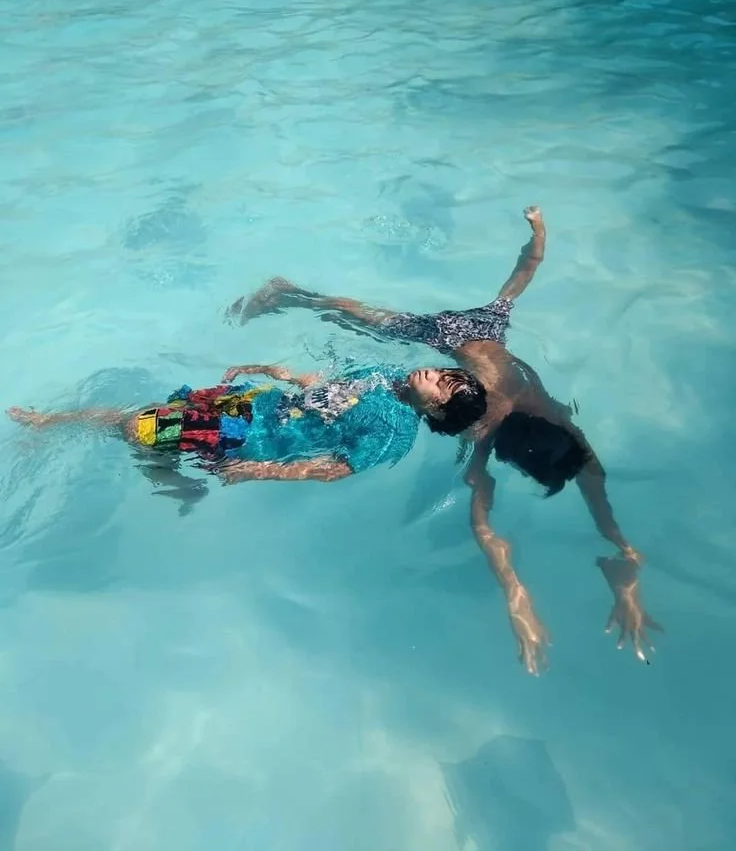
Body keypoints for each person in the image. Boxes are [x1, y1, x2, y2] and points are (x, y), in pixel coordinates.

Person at [227, 207, 661, 674]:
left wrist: (625, 569)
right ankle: (290, 293)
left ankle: (293, 294)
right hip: (448, 339)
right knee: (362, 320)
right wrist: (520, 601)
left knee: (368, 317)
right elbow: (486, 528)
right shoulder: (486, 429)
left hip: (486, 330)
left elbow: (580, 482)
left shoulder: (556, 422)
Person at [7, 362, 487, 497]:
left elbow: (337, 470)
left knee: (137, 425)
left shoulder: (395, 431)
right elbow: (327, 386)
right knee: (152, 416)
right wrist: (280, 373)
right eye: (444, 371)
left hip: (249, 437)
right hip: (257, 405)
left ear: (439, 414)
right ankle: (171, 478)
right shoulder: (386, 374)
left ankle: (47, 425)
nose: (435, 374)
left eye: (445, 386)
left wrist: (260, 470)